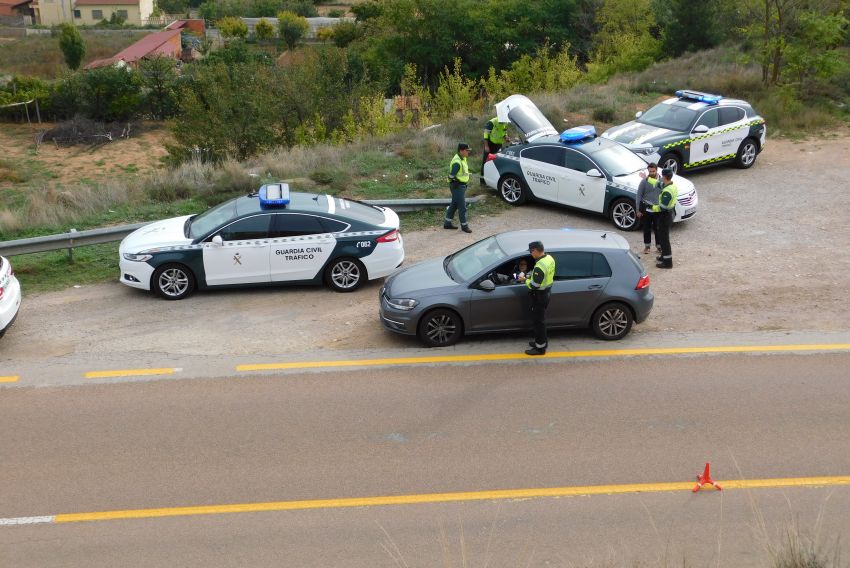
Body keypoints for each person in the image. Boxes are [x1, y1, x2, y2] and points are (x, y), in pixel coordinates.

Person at [519, 241, 556, 355]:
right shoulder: (549, 258)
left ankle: (540, 348)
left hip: (539, 297)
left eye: (531, 251)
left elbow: (534, 285)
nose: (530, 254)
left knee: (538, 323)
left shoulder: (540, 266)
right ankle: (543, 342)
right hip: (546, 294)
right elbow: (543, 276)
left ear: (535, 250)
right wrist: (531, 276)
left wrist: (524, 280)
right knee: (541, 321)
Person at [653, 168, 678, 269]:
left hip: (665, 215)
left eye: (661, 176)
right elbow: (658, 184)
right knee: (662, 237)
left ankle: (668, 263)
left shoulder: (667, 191)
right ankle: (664, 257)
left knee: (664, 239)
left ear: (664, 177)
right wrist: (647, 179)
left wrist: (652, 207)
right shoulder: (671, 185)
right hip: (668, 215)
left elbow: (663, 207)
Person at [445, 142, 472, 233]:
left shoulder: (462, 158)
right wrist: (455, 181)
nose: (468, 152)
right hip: (457, 186)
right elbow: (451, 176)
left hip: (461, 185)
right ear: (461, 151)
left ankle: (447, 223)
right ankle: (464, 226)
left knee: (454, 204)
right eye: (467, 151)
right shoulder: (457, 162)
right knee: (462, 207)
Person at [635, 162, 662, 255]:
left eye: (653, 171)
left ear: (656, 170)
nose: (651, 173)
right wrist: (638, 209)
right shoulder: (644, 181)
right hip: (646, 210)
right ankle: (647, 247)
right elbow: (639, 195)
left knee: (658, 228)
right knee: (646, 228)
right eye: (650, 171)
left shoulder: (662, 181)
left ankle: (659, 247)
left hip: (657, 210)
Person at [481, 117, 509, 184]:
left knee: (495, 162)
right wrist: (486, 146)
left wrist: (506, 137)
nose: (504, 122)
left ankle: (492, 180)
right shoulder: (491, 122)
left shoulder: (505, 122)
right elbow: (485, 134)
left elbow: (504, 132)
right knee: (486, 162)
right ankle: (482, 181)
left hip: (499, 144)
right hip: (490, 144)